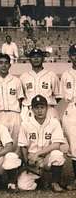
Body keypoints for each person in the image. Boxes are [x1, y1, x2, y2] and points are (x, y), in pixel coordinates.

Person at [18, 95, 66, 192]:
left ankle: (55, 182)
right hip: (33, 159)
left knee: (58, 155)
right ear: (32, 109)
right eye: (36, 108)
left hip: (47, 157)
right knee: (23, 186)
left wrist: (38, 154)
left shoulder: (54, 122)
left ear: (47, 108)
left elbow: (56, 144)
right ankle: (40, 179)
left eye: (42, 107)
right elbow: (23, 145)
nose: (39, 110)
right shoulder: (25, 124)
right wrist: (27, 162)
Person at [20, 48, 61, 120]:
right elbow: (20, 96)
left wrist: (47, 104)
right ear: (29, 59)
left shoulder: (52, 75)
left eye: (38, 56)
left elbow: (58, 96)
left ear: (43, 58)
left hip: (48, 110)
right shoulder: (23, 77)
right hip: (29, 110)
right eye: (33, 57)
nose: (36, 59)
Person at [60, 44, 76, 190]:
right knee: (74, 147)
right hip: (72, 110)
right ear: (70, 56)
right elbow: (62, 97)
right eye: (74, 54)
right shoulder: (66, 74)